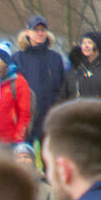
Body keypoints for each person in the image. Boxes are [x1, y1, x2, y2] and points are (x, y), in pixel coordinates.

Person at [14, 14, 66, 145]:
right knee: (23, 158)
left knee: (49, 159)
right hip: (26, 119)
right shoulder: (18, 58)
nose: (39, 33)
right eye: (36, 30)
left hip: (49, 118)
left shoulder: (55, 58)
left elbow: (62, 87)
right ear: (28, 32)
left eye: (43, 30)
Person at [0, 41, 32, 145]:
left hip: (10, 143)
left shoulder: (18, 82)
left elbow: (25, 114)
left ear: (5, 61)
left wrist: (17, 140)